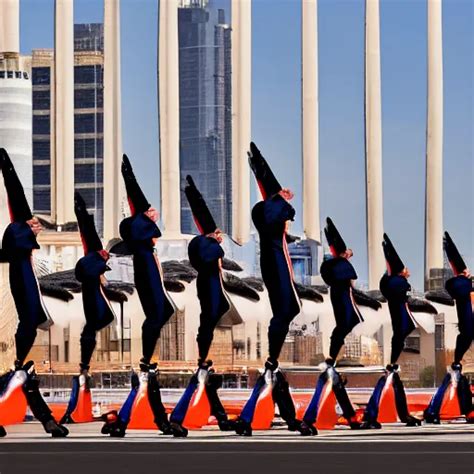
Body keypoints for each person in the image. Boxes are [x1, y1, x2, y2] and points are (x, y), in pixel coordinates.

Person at [234, 142, 310, 436]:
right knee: (288, 307)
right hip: (276, 262)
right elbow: (283, 210)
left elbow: (283, 212)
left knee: (288, 309)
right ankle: (271, 359)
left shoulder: (268, 214)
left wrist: (277, 193)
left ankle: (274, 364)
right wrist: (279, 196)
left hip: (275, 259)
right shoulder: (268, 212)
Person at [101, 154, 174, 437]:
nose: (154, 216)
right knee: (145, 382)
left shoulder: (147, 253)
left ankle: (151, 422)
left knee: (146, 384)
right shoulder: (144, 257)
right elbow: (155, 304)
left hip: (148, 359)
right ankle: (127, 422)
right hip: (147, 358)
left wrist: (130, 176)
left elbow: (137, 201)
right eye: (150, 216)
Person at [0, 148, 68, 437]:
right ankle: (48, 421)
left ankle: (48, 421)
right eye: (31, 228)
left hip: (12, 337)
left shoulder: (24, 265)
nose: (36, 229)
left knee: (20, 371)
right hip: (7, 333)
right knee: (18, 371)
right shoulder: (13, 267)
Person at [169, 176, 237, 437]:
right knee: (208, 322)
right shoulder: (205, 251)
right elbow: (213, 258)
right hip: (209, 293)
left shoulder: (206, 254)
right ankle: (179, 416)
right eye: (217, 235)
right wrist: (215, 245)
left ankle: (219, 416)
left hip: (210, 292)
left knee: (205, 379)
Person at [301, 217, 362, 433]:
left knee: (333, 378)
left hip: (337, 296)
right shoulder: (342, 266)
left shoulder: (330, 266)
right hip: (344, 297)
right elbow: (352, 283)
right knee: (346, 324)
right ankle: (309, 419)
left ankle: (352, 418)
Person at [61, 192, 115, 424]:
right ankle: (84, 367)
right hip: (92, 290)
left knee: (91, 328)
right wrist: (80, 208)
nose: (108, 256)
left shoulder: (94, 264)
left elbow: (87, 228)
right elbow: (87, 228)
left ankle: (84, 366)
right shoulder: (92, 258)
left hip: (93, 289)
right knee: (91, 327)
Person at [361, 233, 421, 428]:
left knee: (395, 380)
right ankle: (371, 416)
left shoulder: (390, 284)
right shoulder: (398, 284)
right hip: (400, 327)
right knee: (389, 377)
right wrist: (401, 275)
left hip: (399, 328)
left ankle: (404, 415)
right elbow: (404, 287)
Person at [424, 232, 473, 423]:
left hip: (465, 343)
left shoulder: (465, 286)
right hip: (466, 342)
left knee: (456, 377)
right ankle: (435, 411)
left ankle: (465, 410)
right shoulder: (462, 285)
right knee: (455, 377)